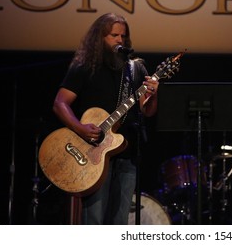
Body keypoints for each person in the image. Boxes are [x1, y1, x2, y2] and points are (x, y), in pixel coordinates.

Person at [52, 12, 159, 224]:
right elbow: (60, 103)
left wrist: (154, 96)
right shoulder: (85, 66)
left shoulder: (134, 68)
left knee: (119, 223)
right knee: (94, 221)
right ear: (100, 38)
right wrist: (80, 128)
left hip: (126, 152)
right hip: (93, 155)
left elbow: (147, 112)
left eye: (123, 36)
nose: (120, 40)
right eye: (114, 35)